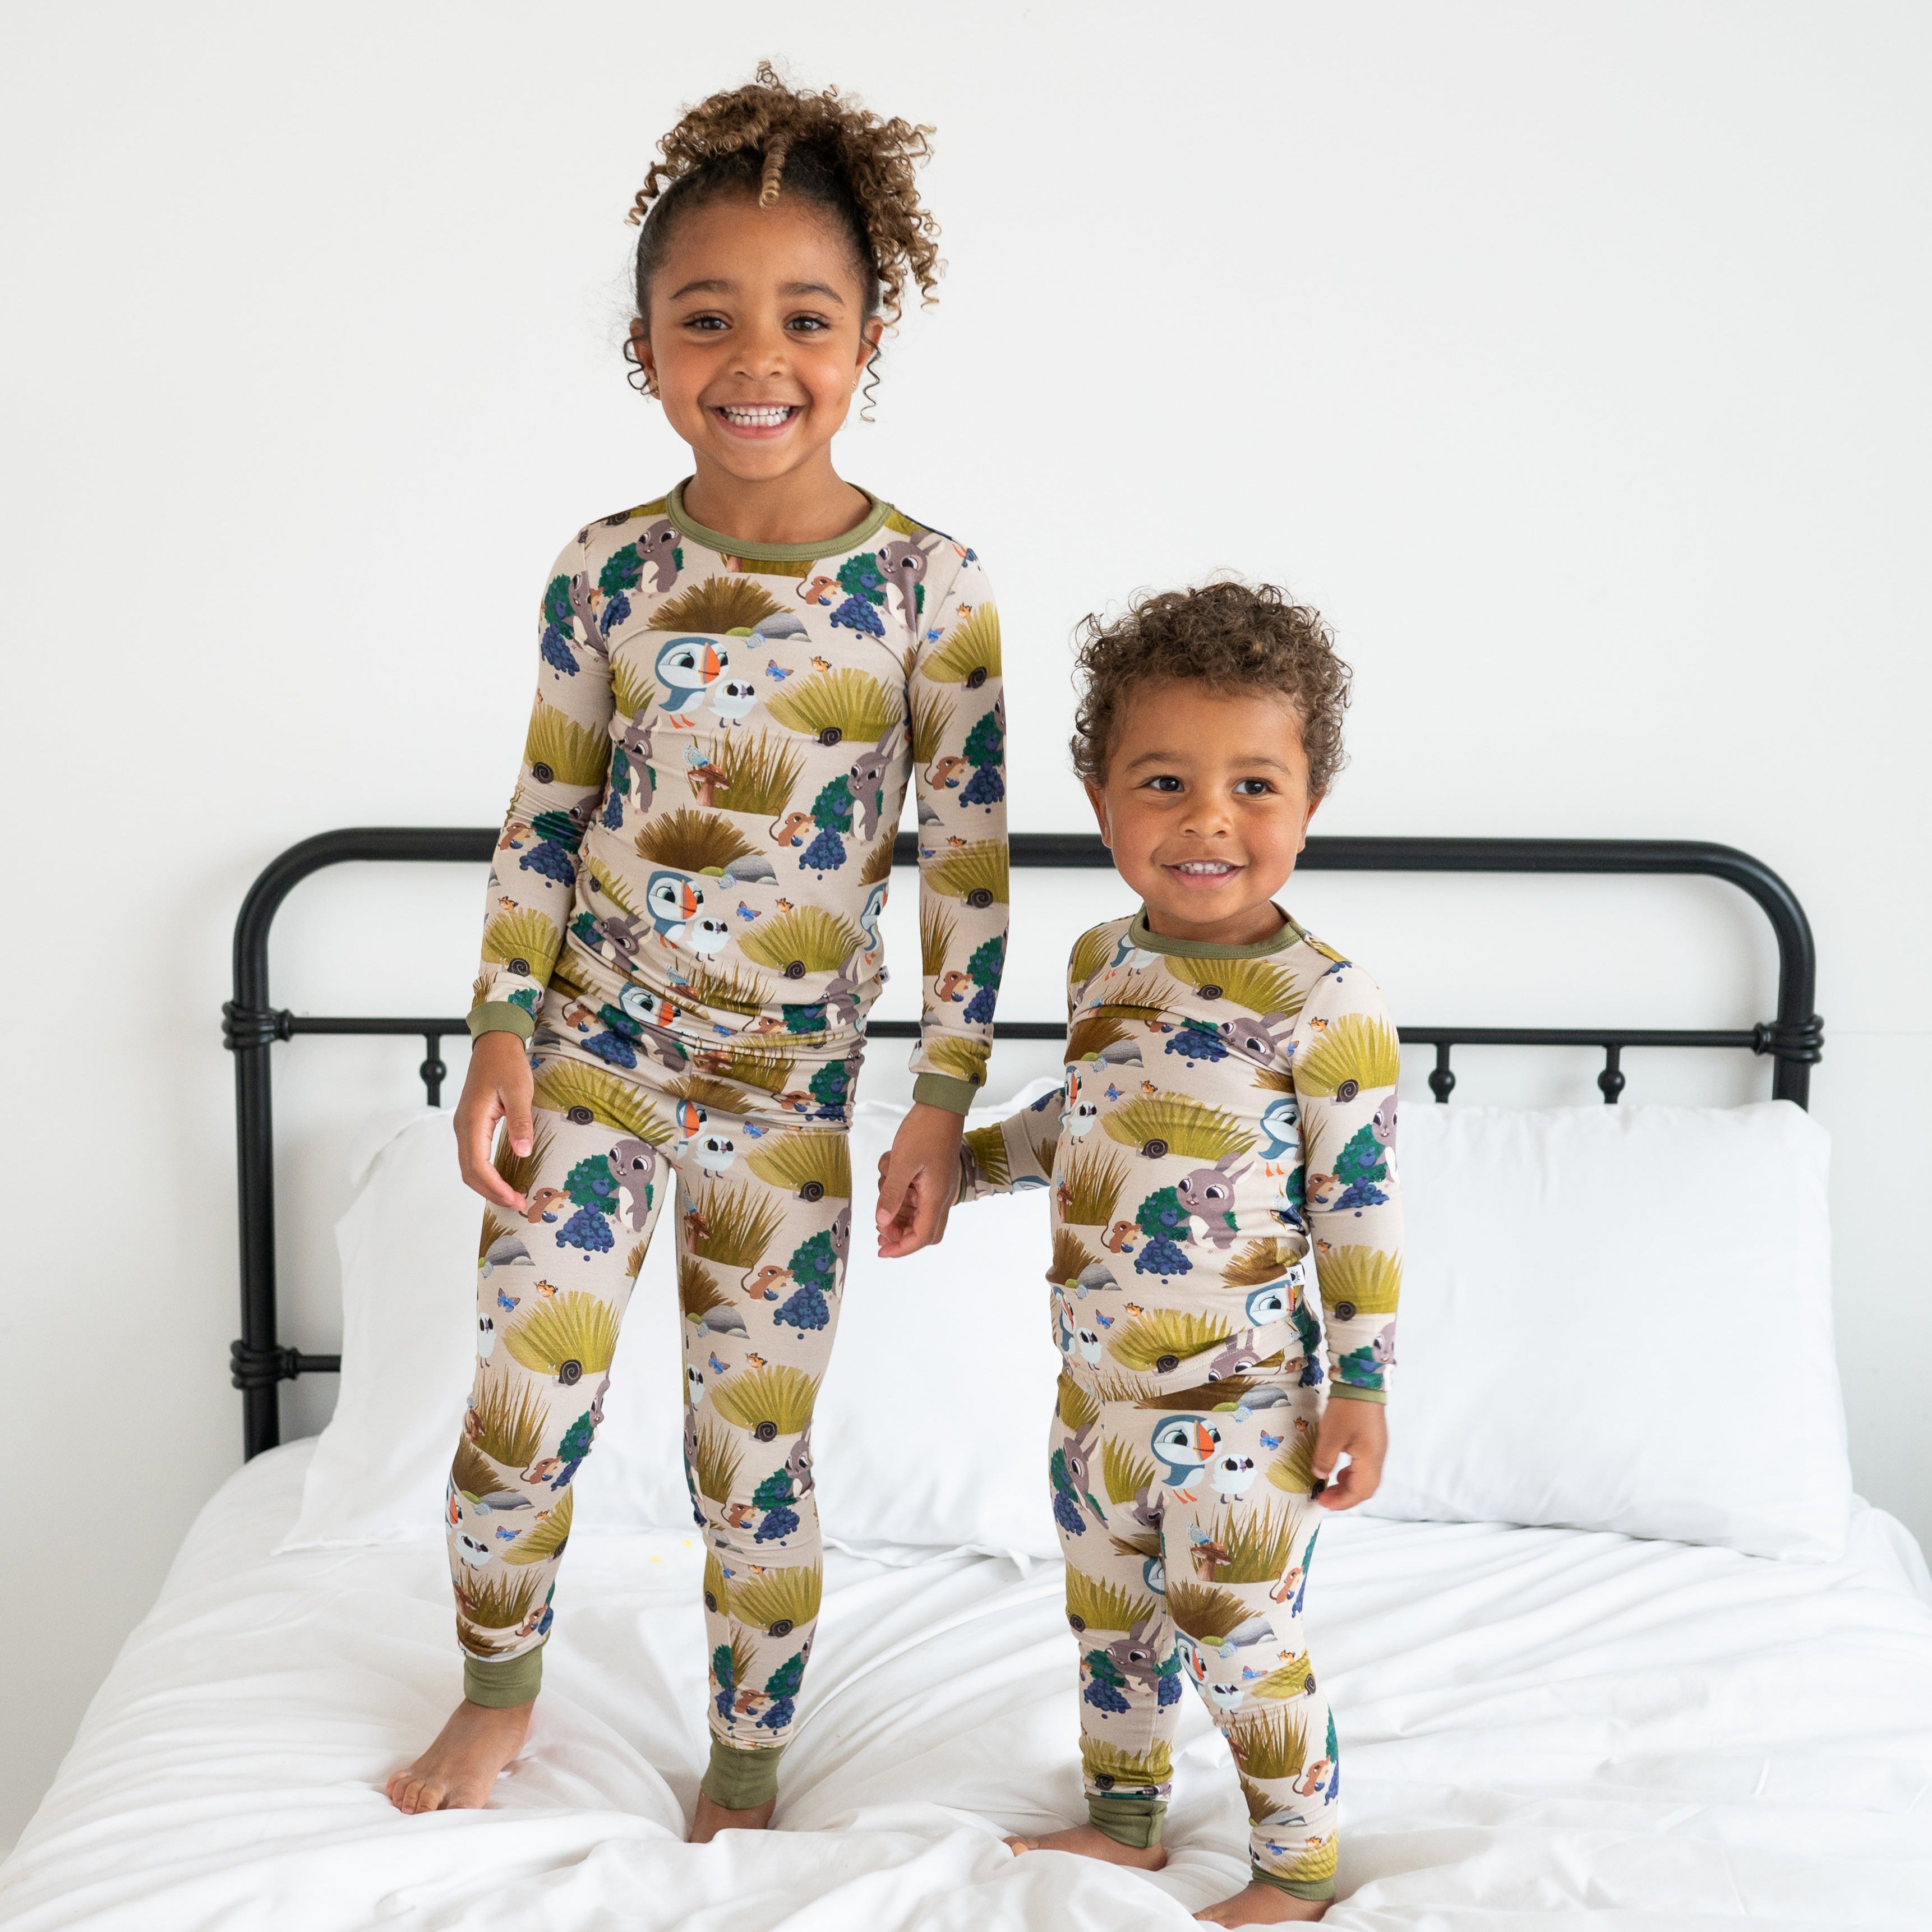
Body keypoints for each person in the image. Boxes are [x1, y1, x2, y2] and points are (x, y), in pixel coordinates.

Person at [388, 64, 1009, 1836]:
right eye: (705, 317)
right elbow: (545, 811)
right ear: (648, 346)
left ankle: (745, 1765)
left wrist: (938, 1099)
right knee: (525, 1397)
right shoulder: (603, 569)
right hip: (592, 1049)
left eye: (803, 318)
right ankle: (495, 1692)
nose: (756, 357)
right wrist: (500, 1027)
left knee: (753, 1451)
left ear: (866, 335)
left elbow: (966, 864)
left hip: (788, 1089)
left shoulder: (934, 591)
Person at [884, 581, 1399, 1925]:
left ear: (1309, 802)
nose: (1207, 819)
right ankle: (1124, 1817)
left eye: (1253, 785)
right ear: (1104, 800)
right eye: (1163, 780)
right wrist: (962, 1164)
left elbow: (1356, 1207)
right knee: (1109, 1622)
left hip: (1242, 1408)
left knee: (1237, 1638)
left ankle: (1293, 1864)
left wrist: (1363, 1387)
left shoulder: (1325, 1003)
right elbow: (1090, 1125)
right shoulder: (1102, 960)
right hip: (1094, 1394)